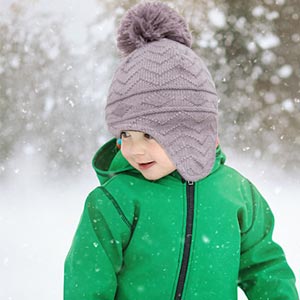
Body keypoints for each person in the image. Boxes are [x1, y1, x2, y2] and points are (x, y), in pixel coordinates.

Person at [64, 2, 298, 299]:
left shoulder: (236, 195)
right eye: (126, 133)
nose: (133, 149)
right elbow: (86, 281)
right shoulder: (115, 201)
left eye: (149, 134)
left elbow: (264, 268)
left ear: (191, 129)